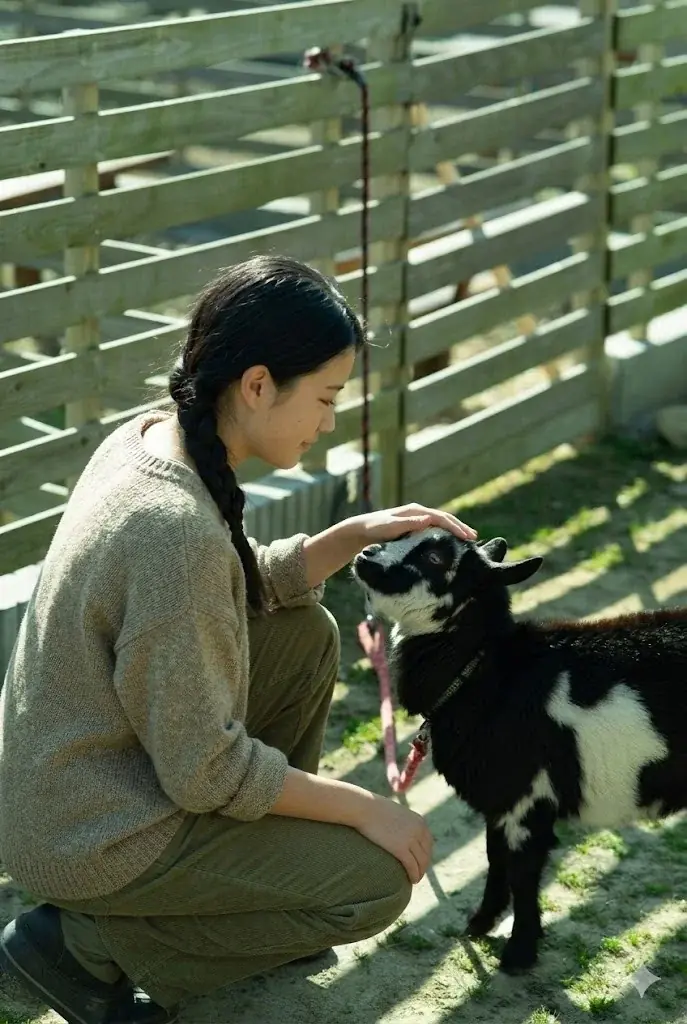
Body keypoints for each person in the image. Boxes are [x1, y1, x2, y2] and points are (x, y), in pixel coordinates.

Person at [0, 255, 476, 1024]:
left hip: (71, 779)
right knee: (374, 881)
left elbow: (222, 593)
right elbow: (205, 771)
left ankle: (228, 898)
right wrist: (360, 808)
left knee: (303, 635)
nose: (328, 420)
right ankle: (84, 947)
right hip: (88, 832)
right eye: (324, 398)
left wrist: (348, 536)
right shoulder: (173, 531)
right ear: (257, 385)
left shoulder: (153, 437)